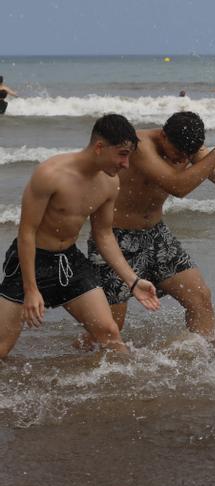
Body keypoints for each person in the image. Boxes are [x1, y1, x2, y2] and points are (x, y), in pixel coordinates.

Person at [81, 111, 215, 346]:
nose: (180, 161)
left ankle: (203, 364)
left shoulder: (189, 148)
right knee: (109, 328)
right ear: (164, 136)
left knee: (200, 298)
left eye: (187, 156)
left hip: (156, 235)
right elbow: (178, 186)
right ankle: (79, 363)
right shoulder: (139, 145)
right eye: (176, 154)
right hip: (114, 238)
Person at [0, 114, 161, 358]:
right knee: (2, 348)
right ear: (99, 147)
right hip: (30, 262)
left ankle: (123, 392)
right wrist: (31, 289)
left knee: (110, 333)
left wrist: (133, 281)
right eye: (122, 154)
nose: (126, 164)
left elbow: (104, 235)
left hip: (70, 261)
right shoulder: (50, 174)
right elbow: (26, 233)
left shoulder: (109, 183)